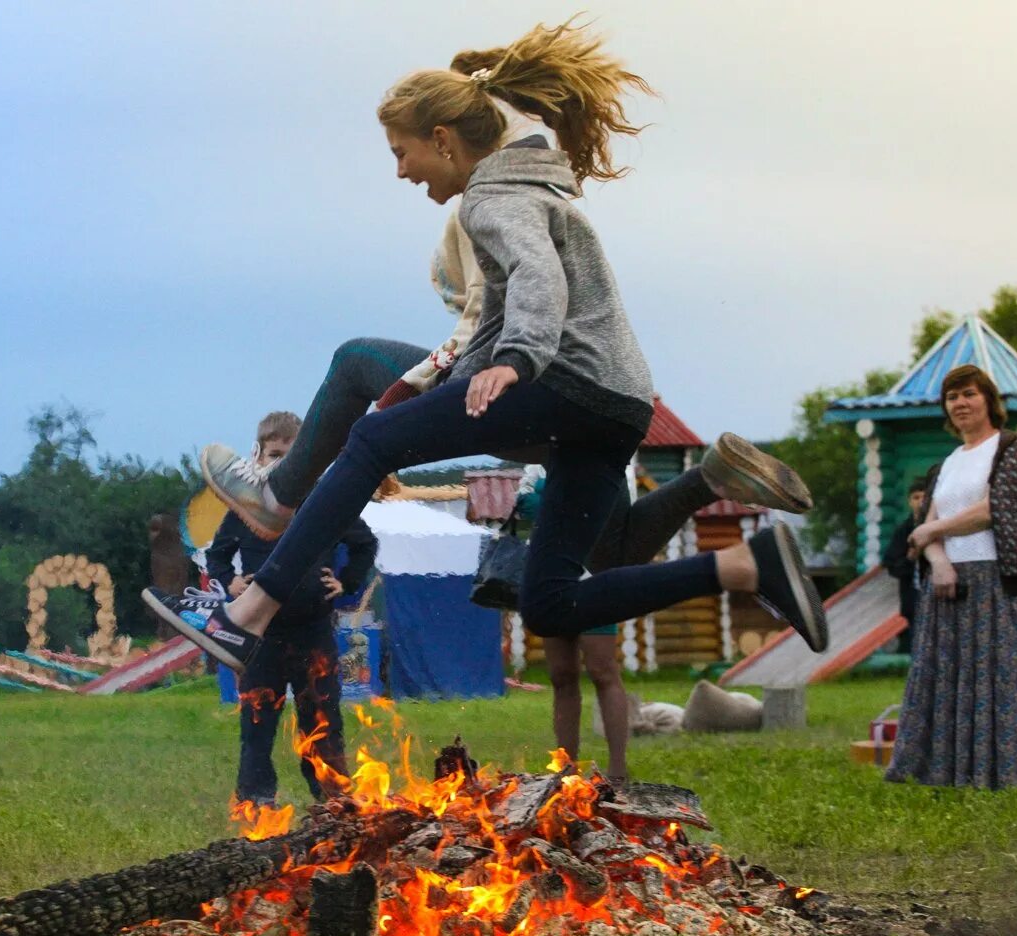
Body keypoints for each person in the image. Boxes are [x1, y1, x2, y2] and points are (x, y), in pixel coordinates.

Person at [146, 21, 827, 674]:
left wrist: (514, 360)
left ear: (442, 139)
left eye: (400, 153)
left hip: (564, 385)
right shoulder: (526, 173)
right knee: (550, 601)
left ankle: (251, 609)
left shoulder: (491, 200)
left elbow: (537, 276)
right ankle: (744, 565)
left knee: (373, 437)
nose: (401, 173)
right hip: (616, 406)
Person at [885, 364, 1017, 792]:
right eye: (952, 397)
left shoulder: (1011, 449)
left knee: (1010, 679)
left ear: (988, 400)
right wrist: (940, 559)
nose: (961, 403)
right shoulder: (947, 464)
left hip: (1001, 580)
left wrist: (933, 531)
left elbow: (993, 510)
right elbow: (924, 526)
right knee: (948, 679)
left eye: (968, 394)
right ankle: (950, 773)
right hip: (949, 583)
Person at [198, 411, 379, 806]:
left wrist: (345, 582)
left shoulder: (324, 503)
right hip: (263, 639)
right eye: (274, 454)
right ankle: (256, 804)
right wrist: (231, 582)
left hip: (314, 632)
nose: (282, 464)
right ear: (259, 457)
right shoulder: (244, 510)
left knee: (323, 724)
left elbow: (366, 544)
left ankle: (332, 802)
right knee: (258, 725)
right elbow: (218, 555)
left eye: (291, 457)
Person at [882, 478, 928, 651]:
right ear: (910, 501)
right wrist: (910, 558)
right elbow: (892, 564)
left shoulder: (938, 526)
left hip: (937, 592)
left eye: (924, 497)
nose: (920, 502)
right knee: (917, 641)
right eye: (916, 498)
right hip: (913, 594)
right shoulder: (903, 531)